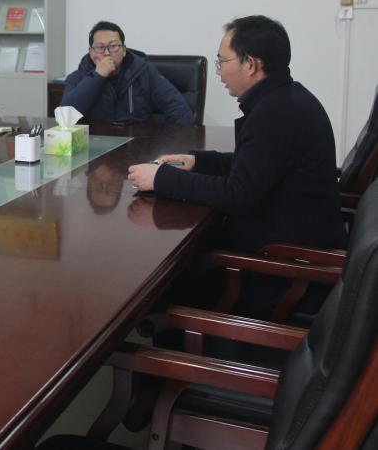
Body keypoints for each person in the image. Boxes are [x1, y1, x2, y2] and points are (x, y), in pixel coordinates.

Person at [128, 16, 345, 316]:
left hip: (281, 271)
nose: (218, 71)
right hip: (287, 246)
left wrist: (161, 179)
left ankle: (172, 335)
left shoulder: (275, 114)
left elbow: (238, 195)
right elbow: (255, 165)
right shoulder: (286, 99)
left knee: (164, 285)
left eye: (222, 61)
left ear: (251, 64)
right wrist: (197, 162)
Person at [61, 21, 194, 125]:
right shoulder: (78, 77)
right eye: (100, 47)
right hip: (96, 143)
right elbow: (65, 118)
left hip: (138, 144)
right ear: (91, 52)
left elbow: (178, 109)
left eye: (113, 46)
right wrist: (97, 76)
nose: (107, 53)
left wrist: (176, 146)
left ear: (124, 50)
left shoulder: (143, 71)